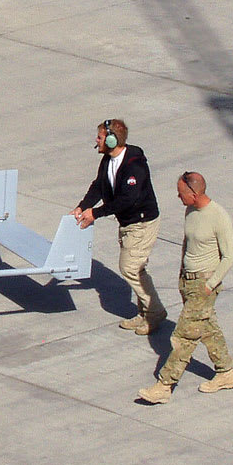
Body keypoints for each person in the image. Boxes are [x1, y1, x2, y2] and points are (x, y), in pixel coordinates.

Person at [138, 171, 233, 404]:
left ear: (194, 193)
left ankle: (165, 385)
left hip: (204, 284)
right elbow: (188, 243)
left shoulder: (218, 216)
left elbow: (229, 257)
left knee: (183, 336)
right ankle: (226, 372)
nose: (178, 196)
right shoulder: (190, 211)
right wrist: (183, 275)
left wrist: (210, 285)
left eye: (181, 193)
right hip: (188, 281)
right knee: (207, 328)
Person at [71, 119, 166, 335]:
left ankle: (155, 312)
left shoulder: (134, 164)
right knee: (136, 268)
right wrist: (82, 206)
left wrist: (95, 213)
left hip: (141, 222)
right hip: (127, 223)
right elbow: (99, 186)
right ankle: (145, 313)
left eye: (100, 137)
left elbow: (127, 199)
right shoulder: (108, 160)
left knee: (130, 268)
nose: (96, 141)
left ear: (112, 140)